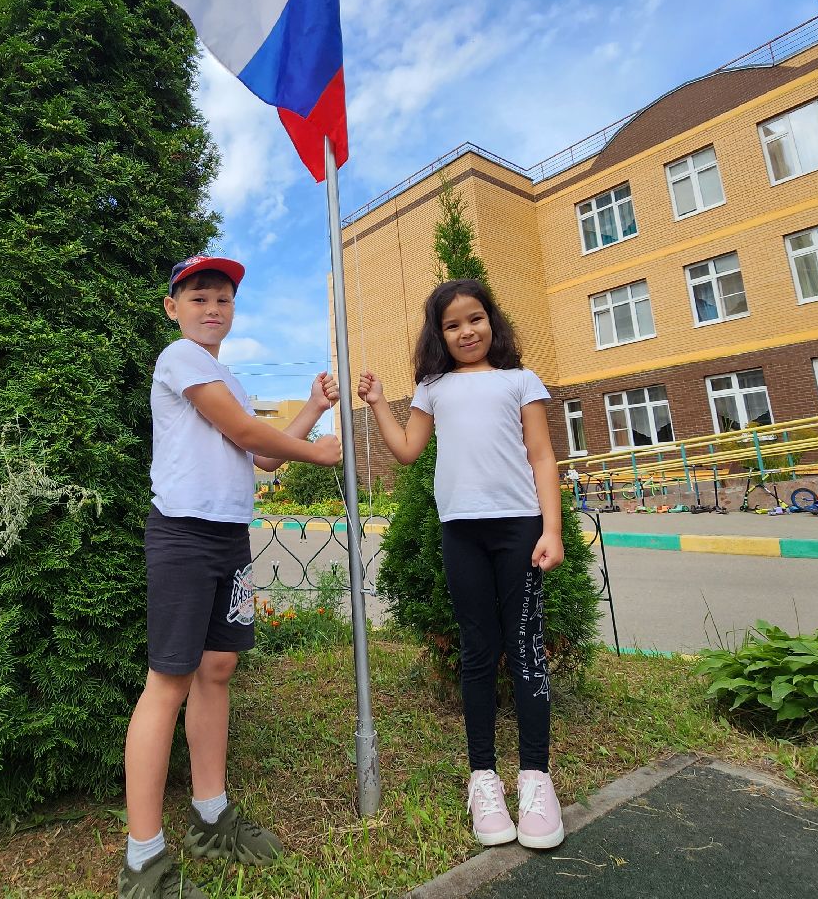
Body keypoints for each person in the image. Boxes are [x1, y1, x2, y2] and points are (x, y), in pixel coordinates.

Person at [120, 254, 343, 899]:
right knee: (168, 681)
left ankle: (210, 818)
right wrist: (320, 453)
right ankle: (143, 857)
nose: (212, 309)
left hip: (228, 538)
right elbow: (244, 430)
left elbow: (262, 456)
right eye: (199, 298)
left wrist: (311, 408)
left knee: (217, 670)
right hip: (184, 535)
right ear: (174, 308)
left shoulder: (229, 379)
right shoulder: (179, 358)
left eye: (222, 300)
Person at [357, 278, 566, 850]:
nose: (466, 331)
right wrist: (378, 403)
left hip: (519, 528)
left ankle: (536, 779)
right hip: (461, 532)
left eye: (474, 319)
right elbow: (407, 450)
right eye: (452, 325)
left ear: (491, 322)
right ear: (438, 335)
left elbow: (542, 456)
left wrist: (552, 528)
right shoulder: (433, 388)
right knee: (478, 650)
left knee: (525, 648)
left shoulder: (520, 381)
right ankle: (484, 780)